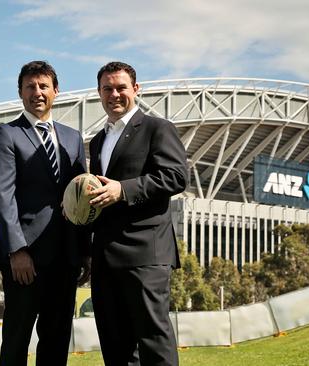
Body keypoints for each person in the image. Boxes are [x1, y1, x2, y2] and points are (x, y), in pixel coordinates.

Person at [0, 61, 90, 366]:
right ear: (20, 92)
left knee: (56, 341)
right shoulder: (5, 134)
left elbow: (82, 197)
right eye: (30, 86)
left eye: (43, 86)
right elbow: (2, 196)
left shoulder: (73, 138)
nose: (37, 92)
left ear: (56, 91)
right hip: (25, 259)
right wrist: (17, 250)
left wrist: (83, 252)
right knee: (16, 339)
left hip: (65, 258)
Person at [88, 61, 188, 365]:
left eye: (121, 87)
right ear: (99, 92)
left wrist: (124, 190)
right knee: (115, 347)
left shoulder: (158, 128)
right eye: (107, 88)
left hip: (145, 255)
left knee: (154, 341)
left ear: (136, 89)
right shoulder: (98, 141)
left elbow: (176, 177)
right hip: (105, 257)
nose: (114, 94)